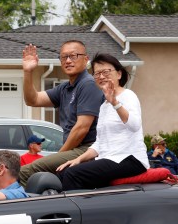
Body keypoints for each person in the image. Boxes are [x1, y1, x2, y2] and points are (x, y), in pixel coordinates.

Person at [56, 53, 148, 190]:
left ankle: (75, 210)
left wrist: (115, 103)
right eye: (97, 74)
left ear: (119, 74)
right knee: (63, 171)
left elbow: (135, 126)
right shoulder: (104, 105)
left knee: (73, 174)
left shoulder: (128, 96)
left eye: (106, 72)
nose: (101, 76)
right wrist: (79, 159)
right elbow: (100, 143)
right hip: (109, 159)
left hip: (130, 159)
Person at [19, 41, 104, 186]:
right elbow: (32, 100)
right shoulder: (65, 88)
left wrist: (59, 156)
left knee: (26, 172)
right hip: (74, 149)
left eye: (74, 56)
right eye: (64, 57)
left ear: (86, 59)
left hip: (87, 148)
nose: (68, 61)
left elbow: (81, 128)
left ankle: (24, 207)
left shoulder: (88, 84)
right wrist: (28, 72)